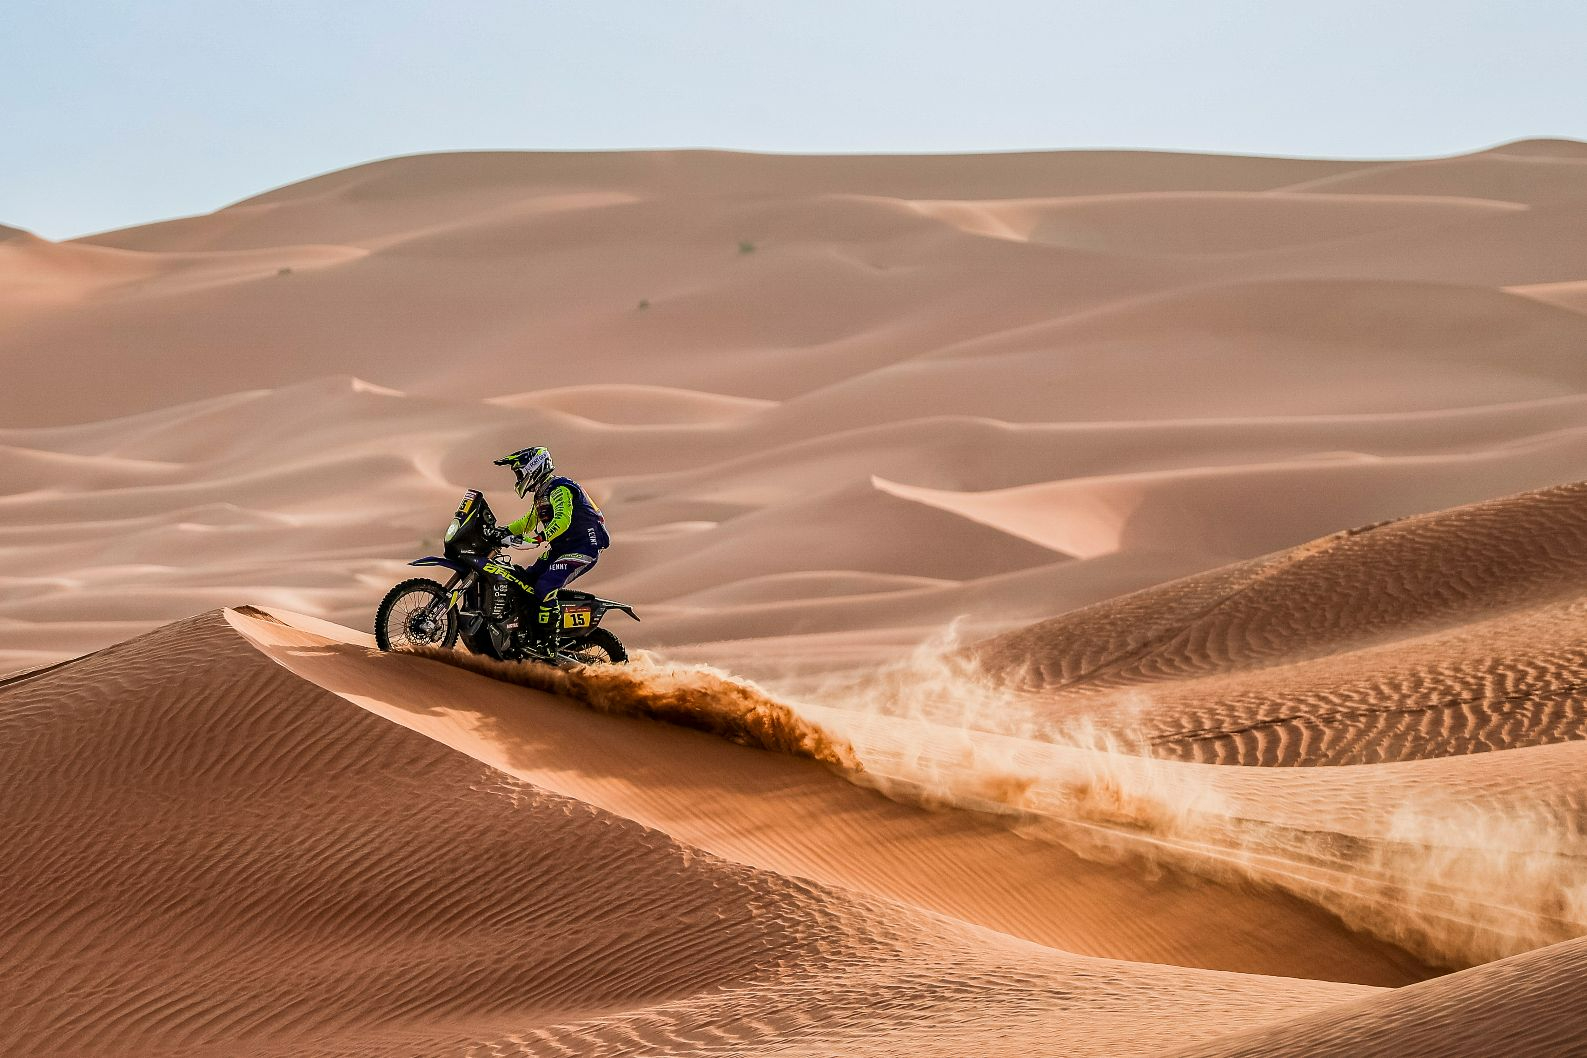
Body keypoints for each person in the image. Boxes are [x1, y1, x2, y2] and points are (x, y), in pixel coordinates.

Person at [492, 446, 610, 655]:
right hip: (562, 549)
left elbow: (562, 520)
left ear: (534, 467)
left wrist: (540, 537)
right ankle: (526, 631)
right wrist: (500, 532)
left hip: (582, 548)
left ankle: (548, 644)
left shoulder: (559, 488)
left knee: (546, 585)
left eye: (519, 472)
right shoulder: (542, 493)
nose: (518, 478)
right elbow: (526, 523)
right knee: (525, 579)